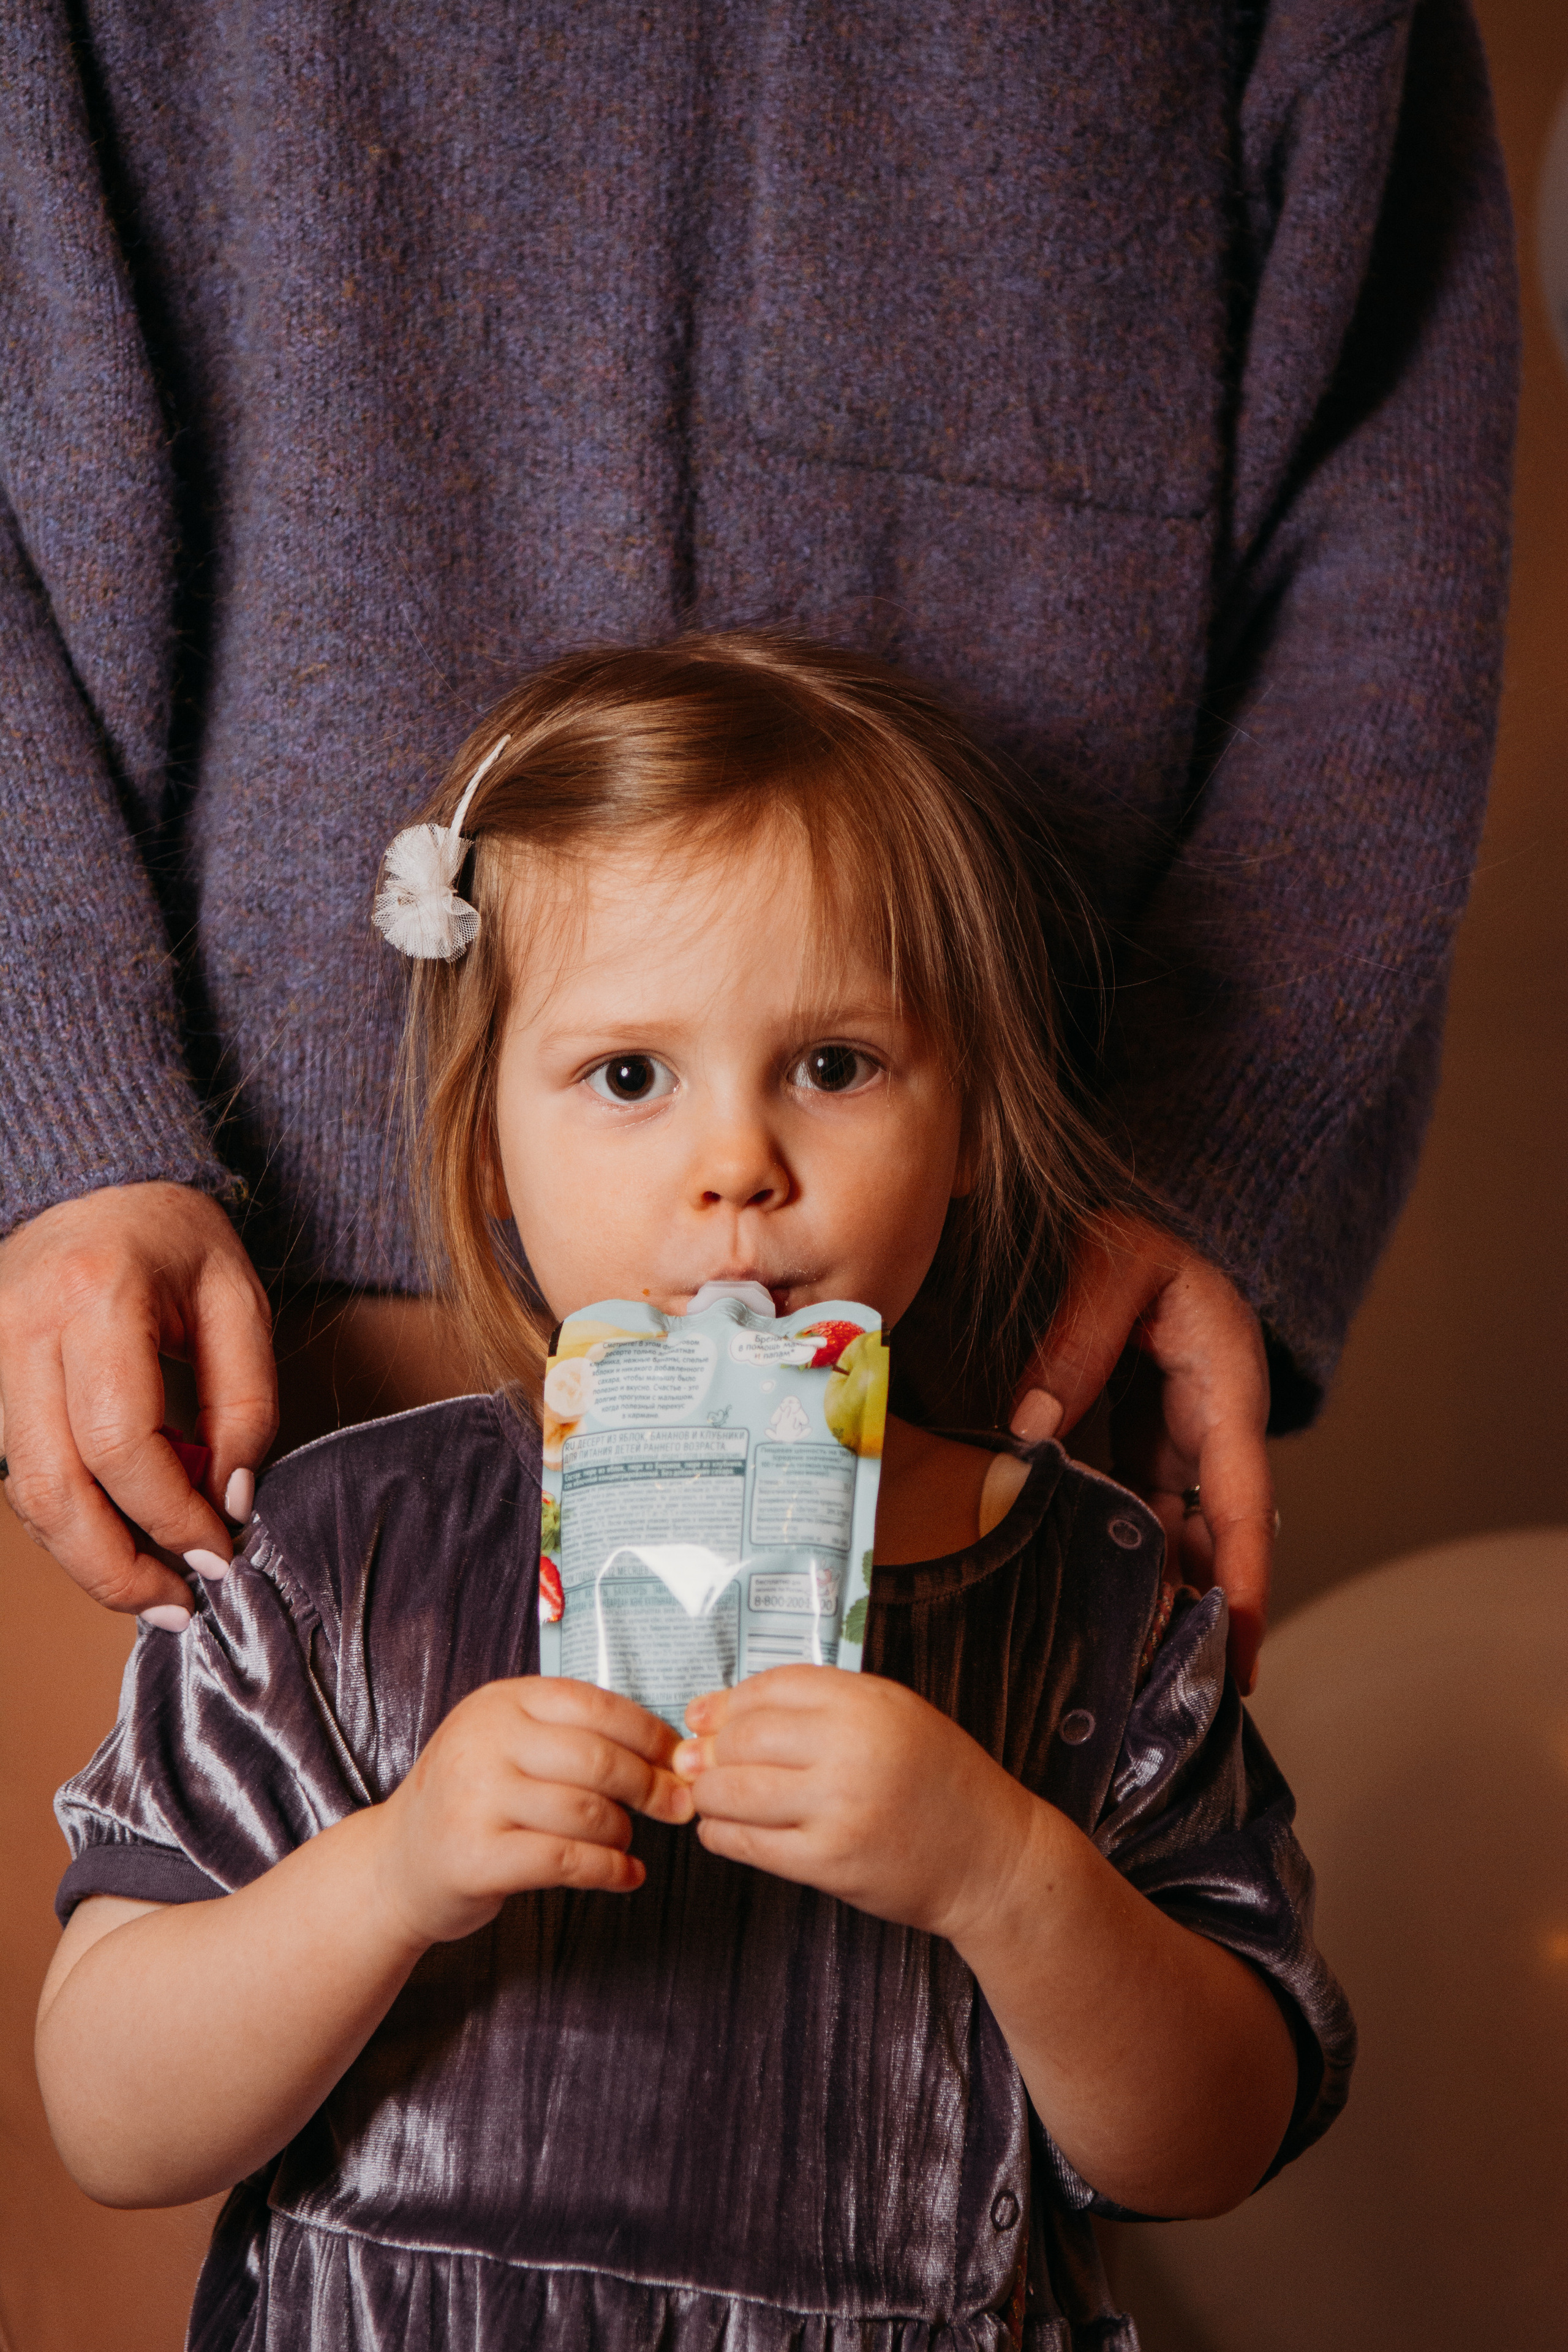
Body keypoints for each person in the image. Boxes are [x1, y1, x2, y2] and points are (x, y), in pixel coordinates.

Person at [0, 2, 1518, 1695]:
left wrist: (1209, 1147)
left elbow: (1394, 523)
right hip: (222, 1339)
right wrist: (56, 1108)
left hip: (1023, 1314)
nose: (729, 1171)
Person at [36, 638, 1352, 2351]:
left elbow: (1217, 2142)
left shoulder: (1098, 1597)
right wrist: (392, 1875)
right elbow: (105, 2115)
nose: (738, 1163)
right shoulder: (333, 1562)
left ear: (969, 1119)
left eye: (834, 1063)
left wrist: (1004, 1877)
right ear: (489, 1145)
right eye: (632, 1076)